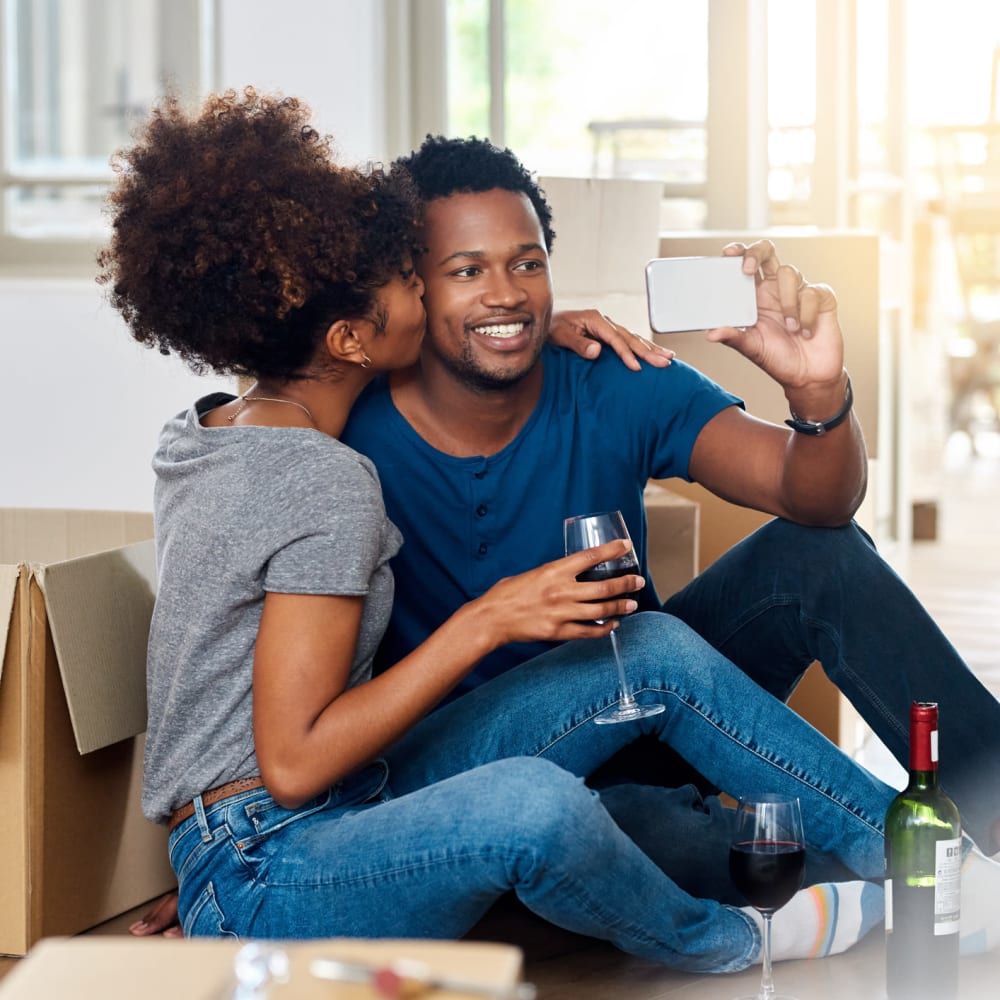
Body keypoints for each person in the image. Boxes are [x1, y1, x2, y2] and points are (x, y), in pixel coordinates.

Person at [105, 88, 897, 972]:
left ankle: (923, 858)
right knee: (536, 804)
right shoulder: (324, 480)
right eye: (419, 278)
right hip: (270, 850)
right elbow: (289, 769)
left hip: (325, 810)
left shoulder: (208, 431)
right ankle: (735, 940)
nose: (447, 294)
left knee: (651, 649)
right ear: (349, 339)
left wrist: (526, 333)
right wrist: (491, 616)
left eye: (516, 267)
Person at [338, 134, 1000, 862]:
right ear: (412, 287)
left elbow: (813, 500)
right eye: (468, 270)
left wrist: (816, 391)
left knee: (819, 558)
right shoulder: (350, 425)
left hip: (644, 718)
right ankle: (904, 871)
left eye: (527, 263)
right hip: (462, 780)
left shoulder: (610, 377)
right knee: (636, 837)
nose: (506, 293)